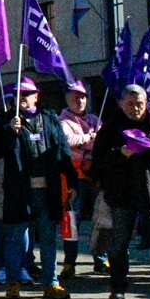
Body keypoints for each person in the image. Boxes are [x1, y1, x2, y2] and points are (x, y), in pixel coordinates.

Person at [0, 78, 76, 299]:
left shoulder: (49, 119)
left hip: (47, 189)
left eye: (27, 94)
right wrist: (9, 131)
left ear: (36, 96)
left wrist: (72, 181)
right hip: (19, 190)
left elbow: (63, 150)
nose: (22, 98)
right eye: (18, 94)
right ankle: (13, 281)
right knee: (15, 237)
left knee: (48, 238)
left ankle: (51, 283)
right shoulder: (5, 120)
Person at [94, 85, 150, 299]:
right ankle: (118, 288)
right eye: (130, 104)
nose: (135, 109)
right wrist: (122, 153)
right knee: (120, 243)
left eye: (139, 104)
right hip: (123, 193)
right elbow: (99, 162)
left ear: (147, 103)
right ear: (121, 104)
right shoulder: (111, 128)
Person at [58, 81, 104, 279]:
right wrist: (87, 139)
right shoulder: (62, 120)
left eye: (83, 96)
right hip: (73, 177)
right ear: (67, 98)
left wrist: (86, 142)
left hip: (95, 176)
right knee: (71, 222)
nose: (80, 100)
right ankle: (69, 262)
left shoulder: (95, 119)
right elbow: (66, 141)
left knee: (102, 219)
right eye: (76, 96)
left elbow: (102, 142)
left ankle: (101, 259)